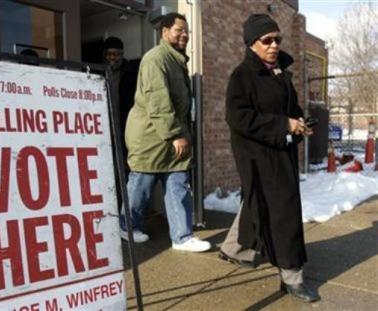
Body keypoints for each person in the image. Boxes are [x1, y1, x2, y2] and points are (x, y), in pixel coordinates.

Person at [221, 14, 320, 302]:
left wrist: (300, 123)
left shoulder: (281, 73)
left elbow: (293, 109)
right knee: (284, 210)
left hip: (280, 150)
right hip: (257, 154)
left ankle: (233, 249)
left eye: (278, 39)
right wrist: (284, 125)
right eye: (267, 40)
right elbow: (237, 117)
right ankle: (292, 277)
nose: (274, 45)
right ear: (252, 44)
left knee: (257, 201)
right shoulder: (242, 75)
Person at [120, 13, 211, 252]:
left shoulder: (176, 60)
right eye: (178, 30)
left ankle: (182, 236)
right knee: (142, 185)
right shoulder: (156, 58)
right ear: (164, 32)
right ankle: (127, 226)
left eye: (186, 31)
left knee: (178, 183)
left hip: (172, 135)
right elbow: (157, 100)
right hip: (151, 136)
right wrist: (174, 134)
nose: (184, 35)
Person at [103, 36, 139, 160]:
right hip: (105, 125)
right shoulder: (98, 72)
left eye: (117, 54)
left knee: (126, 159)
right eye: (109, 54)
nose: (113, 57)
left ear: (122, 54)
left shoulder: (132, 72)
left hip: (126, 124)